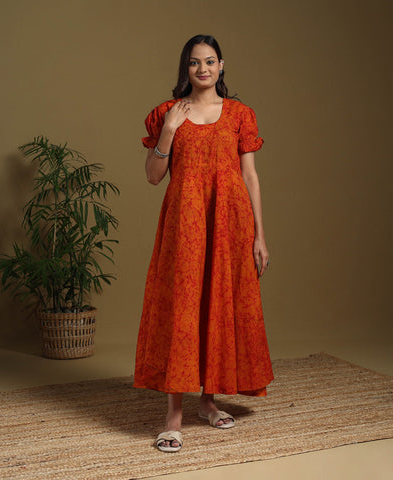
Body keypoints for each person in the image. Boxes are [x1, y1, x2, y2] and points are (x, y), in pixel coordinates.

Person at [134, 34, 274, 452]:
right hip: (185, 223)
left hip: (230, 221)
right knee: (182, 308)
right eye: (195, 62)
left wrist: (260, 235)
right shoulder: (167, 113)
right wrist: (169, 131)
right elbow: (153, 177)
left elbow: (250, 176)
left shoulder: (240, 115)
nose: (203, 69)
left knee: (217, 304)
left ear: (221, 66)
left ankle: (208, 402)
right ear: (186, 68)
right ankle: (173, 417)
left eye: (210, 61)